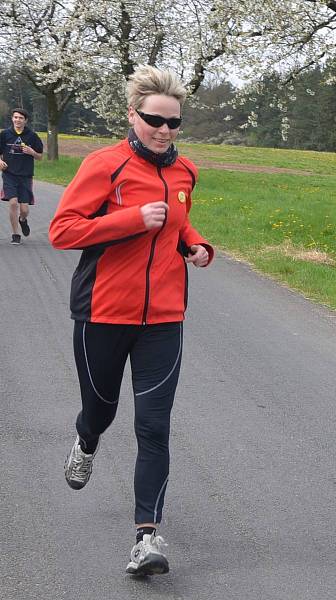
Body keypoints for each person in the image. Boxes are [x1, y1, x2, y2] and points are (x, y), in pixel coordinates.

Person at [49, 65, 214, 575]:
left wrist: (194, 244)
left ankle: (147, 536)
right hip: (102, 313)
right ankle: (87, 439)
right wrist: (130, 220)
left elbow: (179, 223)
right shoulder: (105, 165)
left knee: (154, 426)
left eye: (173, 123)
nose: (164, 131)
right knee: (101, 410)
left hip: (164, 317)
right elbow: (62, 230)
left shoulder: (184, 172)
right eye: (153, 120)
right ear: (132, 115)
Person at [0, 108, 44, 244]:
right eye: (15, 117)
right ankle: (15, 234)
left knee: (24, 209)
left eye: (20, 118)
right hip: (9, 174)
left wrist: (32, 152)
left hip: (25, 175)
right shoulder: (5, 135)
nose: (17, 120)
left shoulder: (32, 136)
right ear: (12, 119)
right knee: (13, 203)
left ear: (26, 121)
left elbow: (40, 157)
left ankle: (23, 220)